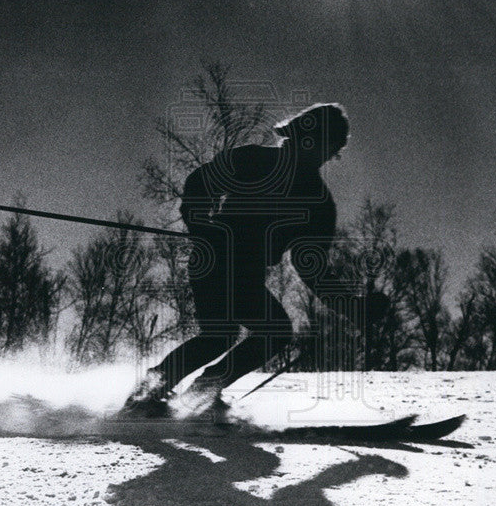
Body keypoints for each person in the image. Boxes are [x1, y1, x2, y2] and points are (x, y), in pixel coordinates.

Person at [122, 102, 355, 417]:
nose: (330, 156)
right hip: (215, 260)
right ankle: (160, 395)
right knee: (235, 332)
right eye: (331, 146)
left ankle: (183, 395)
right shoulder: (255, 159)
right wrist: (202, 225)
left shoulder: (319, 203)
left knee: (242, 333)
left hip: (245, 273)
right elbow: (200, 184)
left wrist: (355, 308)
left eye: (336, 150)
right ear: (307, 137)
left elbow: (311, 266)